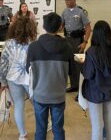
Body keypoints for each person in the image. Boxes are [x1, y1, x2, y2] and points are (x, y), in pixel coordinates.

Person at [26, 12, 74, 140]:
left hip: (40, 94)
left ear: (44, 26)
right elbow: (72, 71)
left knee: (40, 129)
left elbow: (28, 70)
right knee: (58, 129)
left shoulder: (33, 47)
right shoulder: (67, 47)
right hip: (58, 95)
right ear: (60, 27)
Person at [82, 21, 111, 140]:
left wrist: (82, 66)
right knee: (110, 121)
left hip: (95, 92)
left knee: (97, 125)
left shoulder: (91, 52)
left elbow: (88, 74)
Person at [0, 16, 37, 140]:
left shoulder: (9, 43)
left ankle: (22, 134)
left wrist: (3, 81)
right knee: (37, 104)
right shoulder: (34, 42)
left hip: (12, 77)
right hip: (29, 78)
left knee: (18, 106)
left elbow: (3, 64)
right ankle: (43, 126)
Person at [61, 0, 91, 93]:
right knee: (70, 63)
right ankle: (74, 85)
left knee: (79, 64)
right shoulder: (64, 12)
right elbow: (61, 26)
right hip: (67, 40)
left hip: (78, 41)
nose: (68, 2)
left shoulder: (81, 12)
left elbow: (88, 28)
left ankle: (81, 87)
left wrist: (85, 42)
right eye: (66, 0)